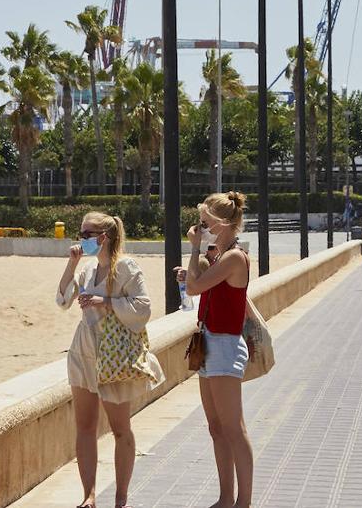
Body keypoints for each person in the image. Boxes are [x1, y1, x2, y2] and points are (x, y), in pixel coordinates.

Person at [56, 211, 164, 508]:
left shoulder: (126, 267)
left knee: (120, 428)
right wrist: (72, 262)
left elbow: (143, 308)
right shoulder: (88, 270)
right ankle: (88, 496)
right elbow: (62, 300)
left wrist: (106, 302)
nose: (82, 239)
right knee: (85, 427)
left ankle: (120, 497)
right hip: (83, 353)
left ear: (104, 237)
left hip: (114, 356)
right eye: (81, 233)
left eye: (87, 234)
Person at [179, 192, 256, 508]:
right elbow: (198, 286)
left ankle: (244, 502)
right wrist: (198, 263)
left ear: (223, 224)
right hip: (209, 342)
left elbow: (194, 288)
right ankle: (226, 497)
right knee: (216, 427)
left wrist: (194, 248)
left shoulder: (234, 257)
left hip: (224, 345)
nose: (201, 228)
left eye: (206, 223)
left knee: (233, 428)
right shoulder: (220, 257)